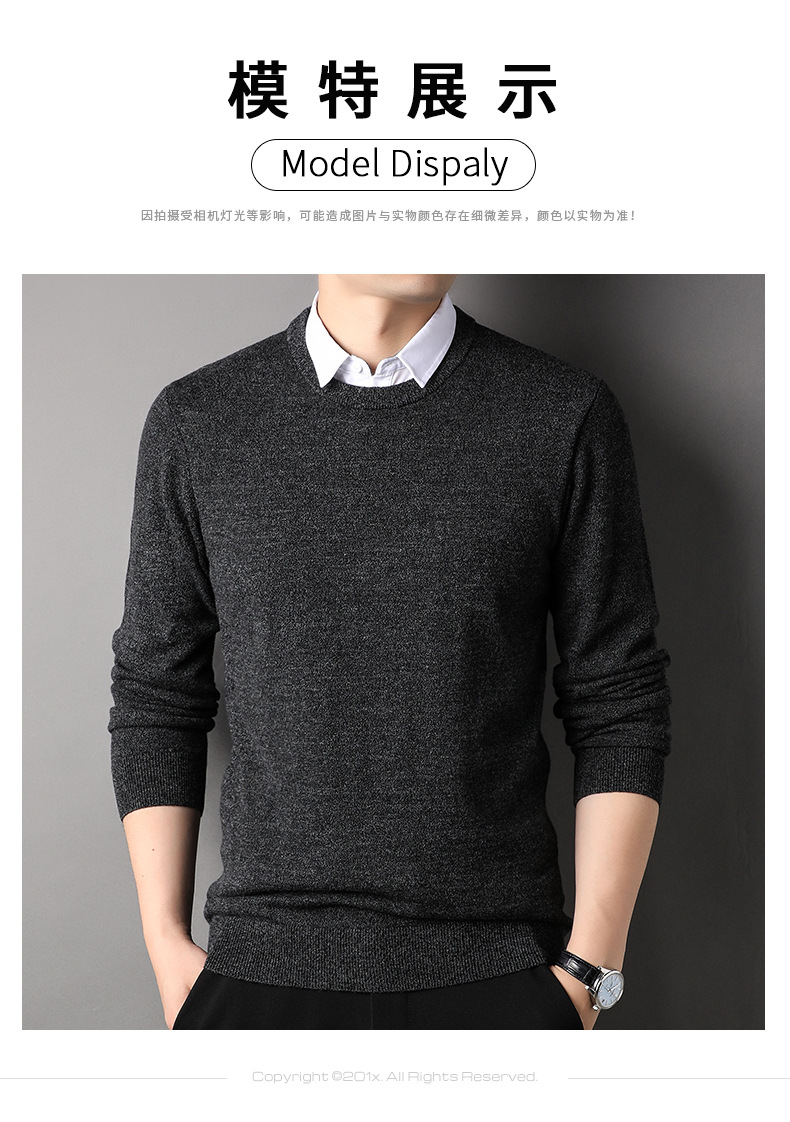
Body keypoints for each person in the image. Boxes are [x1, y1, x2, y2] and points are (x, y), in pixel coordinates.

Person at [109, 275, 671, 1031]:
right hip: (257, 974)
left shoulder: (562, 413)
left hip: (503, 976)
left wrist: (590, 972)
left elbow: (620, 697)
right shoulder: (199, 420)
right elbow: (156, 695)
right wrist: (166, 949)